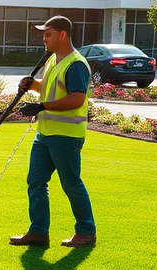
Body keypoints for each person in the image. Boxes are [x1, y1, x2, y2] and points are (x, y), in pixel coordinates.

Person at [10, 14, 96, 248]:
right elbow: (49, 89)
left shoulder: (76, 64)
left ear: (62, 34)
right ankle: (38, 232)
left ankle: (86, 231)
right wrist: (32, 85)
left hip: (66, 137)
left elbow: (76, 99)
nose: (44, 39)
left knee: (71, 184)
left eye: (47, 34)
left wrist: (41, 107)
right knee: (36, 181)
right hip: (45, 134)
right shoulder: (52, 61)